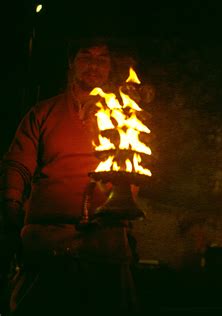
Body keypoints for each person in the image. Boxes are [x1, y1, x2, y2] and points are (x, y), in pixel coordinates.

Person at [0, 37, 138, 316]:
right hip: (48, 238)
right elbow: (17, 164)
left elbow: (135, 170)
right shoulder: (44, 112)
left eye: (103, 58)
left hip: (105, 241)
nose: (95, 65)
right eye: (87, 56)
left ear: (110, 67)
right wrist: (11, 206)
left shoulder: (126, 118)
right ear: (71, 63)